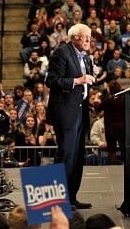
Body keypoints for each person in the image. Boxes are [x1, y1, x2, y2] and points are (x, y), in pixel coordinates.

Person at [45, 23, 97, 209]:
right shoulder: (62, 53)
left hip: (80, 112)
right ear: (74, 37)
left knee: (77, 157)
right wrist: (78, 80)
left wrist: (92, 75)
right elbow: (51, 80)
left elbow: (86, 81)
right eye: (85, 37)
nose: (89, 41)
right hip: (65, 113)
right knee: (66, 155)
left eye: (90, 37)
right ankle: (58, 201)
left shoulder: (85, 57)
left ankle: (71, 198)